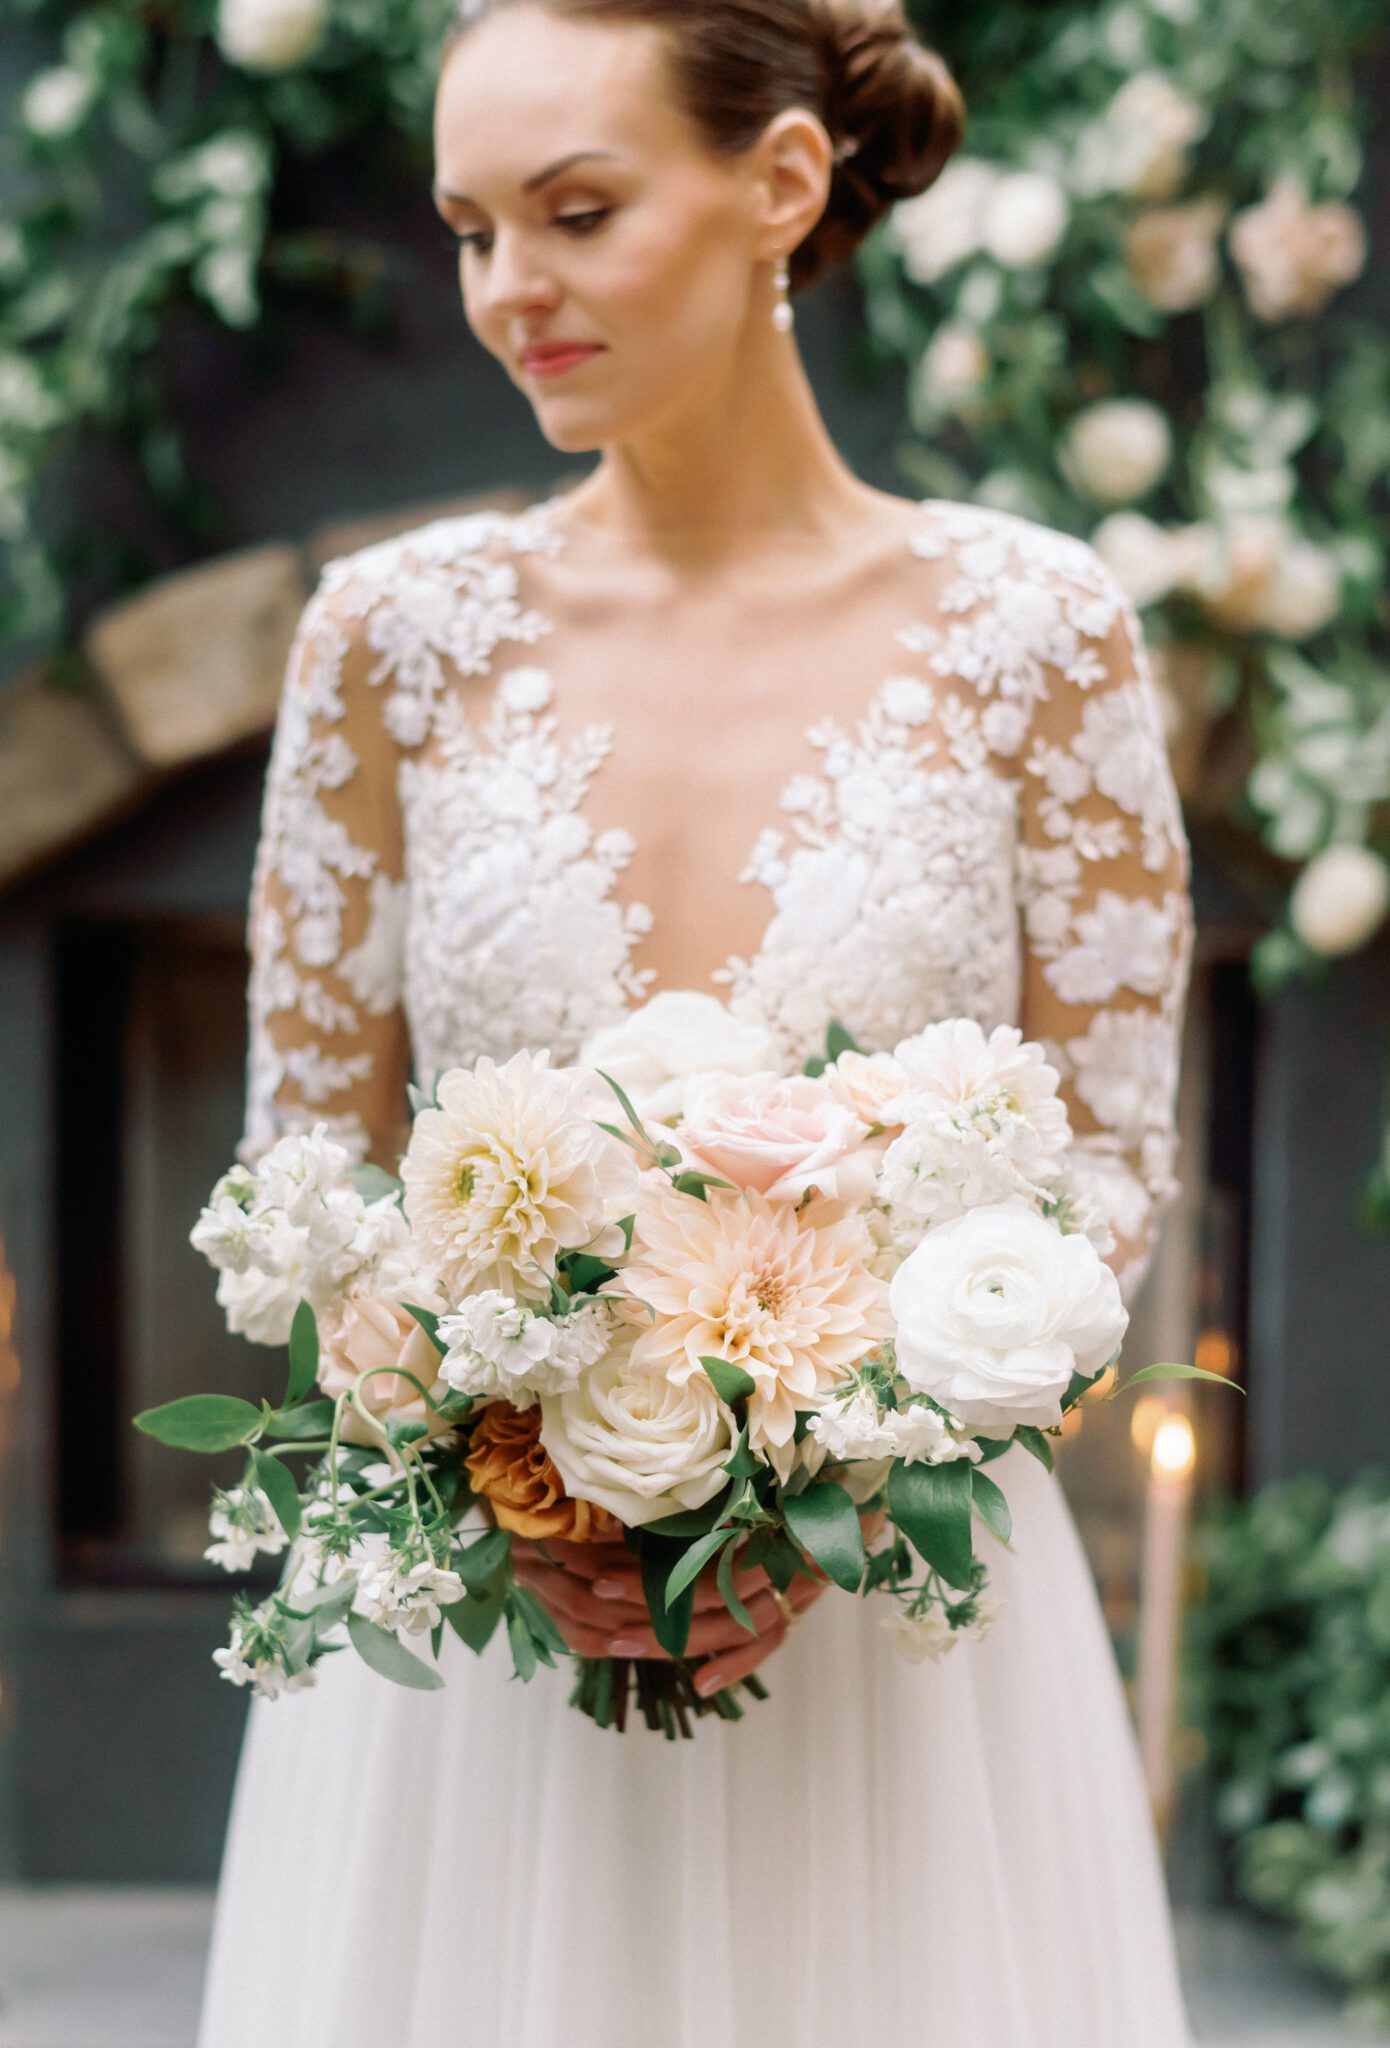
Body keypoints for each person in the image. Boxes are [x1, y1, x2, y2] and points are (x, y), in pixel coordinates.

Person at [196, 1, 1198, 2041]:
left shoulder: (1031, 633)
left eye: (572, 212)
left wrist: (827, 1483)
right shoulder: (385, 642)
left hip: (899, 1665)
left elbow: (1101, 1168)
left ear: (780, 185)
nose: (506, 293)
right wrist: (504, 1469)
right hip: (486, 1677)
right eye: (470, 228)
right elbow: (301, 1181)